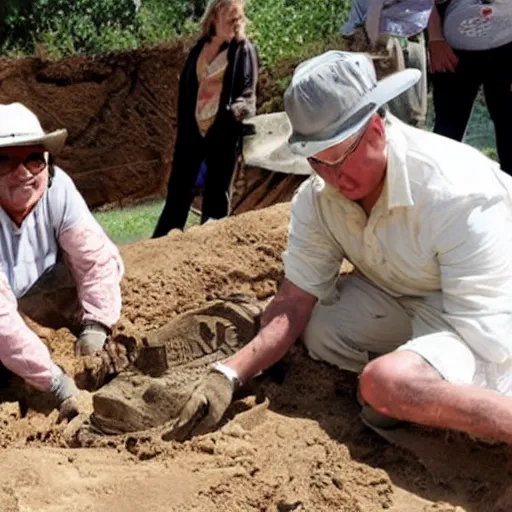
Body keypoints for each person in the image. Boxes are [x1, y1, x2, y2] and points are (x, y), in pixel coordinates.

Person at [167, 50, 512, 445]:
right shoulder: (317, 199)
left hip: (493, 312)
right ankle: (413, 386)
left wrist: (402, 390)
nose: (333, 178)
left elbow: (488, 340)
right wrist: (229, 373)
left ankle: (413, 392)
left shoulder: (456, 192)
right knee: (321, 328)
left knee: (385, 382)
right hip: (415, 299)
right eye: (317, 162)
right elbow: (295, 300)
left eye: (340, 157)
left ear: (377, 131)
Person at [0, 102, 124, 420]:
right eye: (5, 161)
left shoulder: (58, 188)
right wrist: (55, 383)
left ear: (48, 163)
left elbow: (95, 258)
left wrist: (96, 325)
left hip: (29, 299)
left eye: (33, 159)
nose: (23, 173)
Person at [152, 0, 258, 237]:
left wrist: (236, 111)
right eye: (231, 20)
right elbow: (187, 93)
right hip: (192, 132)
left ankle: (211, 246)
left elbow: (248, 95)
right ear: (215, 16)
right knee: (178, 191)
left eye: (239, 20)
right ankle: (161, 244)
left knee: (217, 193)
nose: (236, 25)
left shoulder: (243, 50)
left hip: (222, 131)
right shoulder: (198, 50)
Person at [428, 0, 512, 174]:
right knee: (446, 136)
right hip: (451, 50)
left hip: (508, 46)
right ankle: (440, 195)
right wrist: (434, 38)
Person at [340, 0, 432, 127]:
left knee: (414, 116)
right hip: (383, 36)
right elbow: (374, 10)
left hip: (410, 32)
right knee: (395, 118)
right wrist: (374, 47)